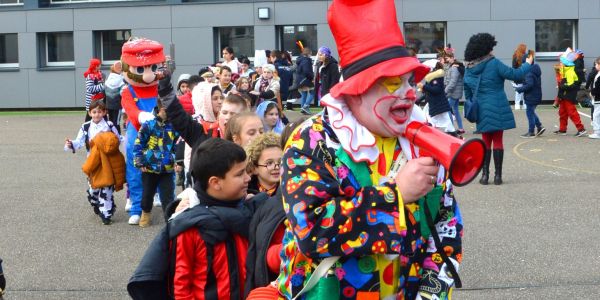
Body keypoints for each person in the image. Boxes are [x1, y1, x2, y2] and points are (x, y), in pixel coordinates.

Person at [250, 1, 462, 299]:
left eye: (409, 80)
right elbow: (311, 231)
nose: (408, 92)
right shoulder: (311, 141)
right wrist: (394, 195)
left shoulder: (423, 140)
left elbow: (448, 225)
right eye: (392, 82)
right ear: (356, 89)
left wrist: (432, 292)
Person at [127, 138, 268, 300]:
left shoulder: (252, 208)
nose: (248, 178)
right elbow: (181, 286)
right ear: (215, 182)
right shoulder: (190, 226)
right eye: (239, 173)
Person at [463, 33, 533, 186]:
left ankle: (484, 176)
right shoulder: (494, 63)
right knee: (498, 141)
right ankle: (498, 176)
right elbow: (515, 74)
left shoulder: (468, 68)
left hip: (481, 109)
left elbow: (467, 93)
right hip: (498, 106)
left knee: (486, 141)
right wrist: (528, 64)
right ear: (487, 49)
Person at [120, 37, 166, 225]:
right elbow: (131, 111)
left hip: (160, 132)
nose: (147, 74)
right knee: (135, 168)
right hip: (137, 133)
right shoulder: (127, 91)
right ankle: (137, 207)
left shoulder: (161, 88)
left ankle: (166, 203)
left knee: (163, 167)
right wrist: (144, 116)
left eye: (152, 68)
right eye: (140, 69)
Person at [65, 100, 124, 225]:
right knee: (94, 189)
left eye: (100, 112)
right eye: (94, 112)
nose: (97, 114)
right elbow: (79, 141)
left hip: (108, 161)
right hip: (93, 162)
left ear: (104, 112)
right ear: (90, 113)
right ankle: (95, 201)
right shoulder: (86, 126)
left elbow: (118, 139)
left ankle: (106, 213)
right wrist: (71, 144)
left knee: (107, 187)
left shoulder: (109, 125)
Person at [133, 101, 180, 227]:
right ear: (160, 109)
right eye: (166, 110)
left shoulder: (174, 126)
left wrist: (178, 161)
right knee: (147, 193)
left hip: (167, 167)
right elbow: (138, 144)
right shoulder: (149, 125)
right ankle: (146, 213)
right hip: (149, 167)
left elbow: (178, 145)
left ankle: (169, 218)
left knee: (168, 195)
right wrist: (140, 161)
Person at [554, 48, 587, 137]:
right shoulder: (566, 70)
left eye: (562, 62)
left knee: (571, 112)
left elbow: (572, 85)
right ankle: (562, 129)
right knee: (562, 112)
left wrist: (562, 86)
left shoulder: (570, 71)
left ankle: (581, 129)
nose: (560, 63)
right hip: (564, 95)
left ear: (565, 63)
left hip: (568, 95)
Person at [418, 61, 456, 135]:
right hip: (434, 103)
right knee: (434, 119)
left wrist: (424, 86)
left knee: (444, 121)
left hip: (438, 103)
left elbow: (437, 90)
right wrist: (423, 91)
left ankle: (452, 135)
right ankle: (449, 134)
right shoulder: (431, 78)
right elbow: (430, 90)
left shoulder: (436, 78)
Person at [515, 50, 546, 138]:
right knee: (531, 112)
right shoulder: (535, 69)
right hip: (536, 95)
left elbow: (529, 84)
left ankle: (531, 131)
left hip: (531, 96)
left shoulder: (529, 72)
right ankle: (539, 126)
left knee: (529, 113)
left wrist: (519, 89)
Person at [440, 47, 465, 134]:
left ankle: (451, 129)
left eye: (447, 58)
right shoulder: (453, 66)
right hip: (455, 92)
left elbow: (453, 83)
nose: (446, 60)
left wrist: (445, 91)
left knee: (447, 109)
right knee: (455, 110)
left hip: (453, 93)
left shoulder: (454, 68)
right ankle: (461, 128)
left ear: (452, 58)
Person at [104, 61, 125, 134]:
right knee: (117, 122)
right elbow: (123, 93)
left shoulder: (108, 80)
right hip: (117, 105)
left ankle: (111, 135)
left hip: (109, 104)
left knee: (110, 121)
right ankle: (117, 136)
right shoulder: (122, 80)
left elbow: (105, 92)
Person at [84, 58, 105, 122]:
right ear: (96, 66)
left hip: (99, 100)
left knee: (101, 117)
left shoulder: (99, 74)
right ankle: (86, 131)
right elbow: (90, 88)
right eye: (99, 65)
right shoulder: (90, 76)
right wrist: (103, 86)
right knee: (89, 119)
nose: (100, 66)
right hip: (92, 101)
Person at [295, 47, 315, 115]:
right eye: (311, 53)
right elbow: (307, 71)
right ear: (308, 53)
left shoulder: (300, 60)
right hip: (306, 79)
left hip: (300, 80)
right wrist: (312, 77)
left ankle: (302, 108)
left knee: (304, 94)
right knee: (313, 93)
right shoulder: (307, 60)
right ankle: (305, 106)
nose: (311, 55)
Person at [512, 44, 528, 110]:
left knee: (518, 91)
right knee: (525, 91)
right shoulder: (526, 56)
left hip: (518, 76)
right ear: (523, 49)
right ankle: (525, 105)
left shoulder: (515, 56)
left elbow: (513, 67)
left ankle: (517, 105)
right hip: (525, 76)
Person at [589, 57, 600, 139]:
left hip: (598, 99)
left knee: (596, 116)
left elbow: (597, 88)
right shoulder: (598, 74)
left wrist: (592, 93)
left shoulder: (599, 76)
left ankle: (597, 132)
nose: (595, 65)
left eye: (596, 64)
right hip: (597, 99)